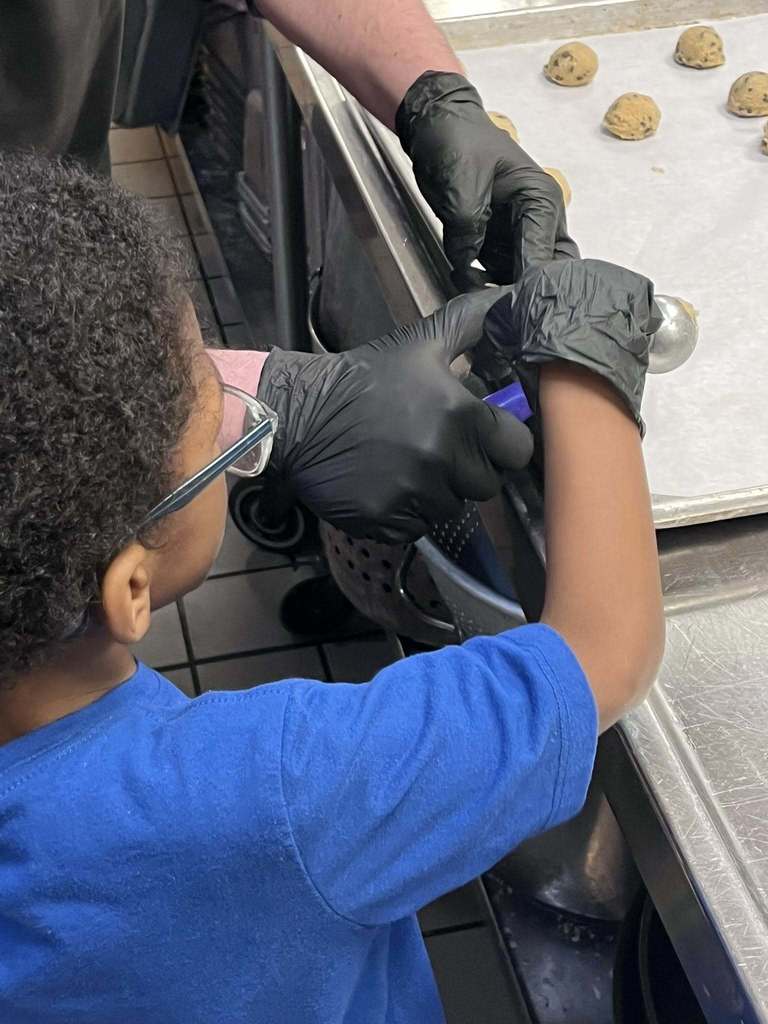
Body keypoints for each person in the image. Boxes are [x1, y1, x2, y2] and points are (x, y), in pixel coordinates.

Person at [0, 155, 663, 1022]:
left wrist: (280, 397)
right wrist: (586, 358)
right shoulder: (274, 794)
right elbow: (606, 651)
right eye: (216, 424)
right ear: (130, 587)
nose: (234, 418)